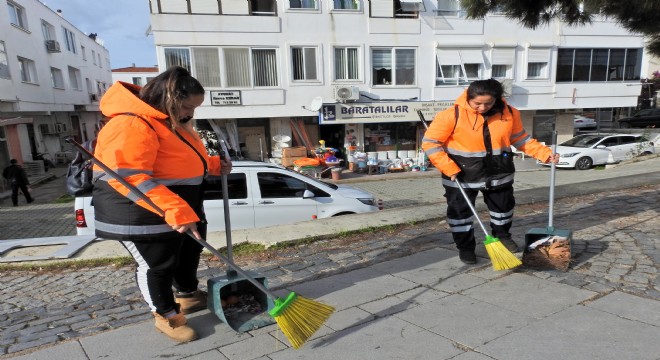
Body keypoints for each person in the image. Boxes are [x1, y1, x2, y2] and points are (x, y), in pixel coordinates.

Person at [93, 66, 231, 342]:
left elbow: (174, 160)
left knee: (189, 251)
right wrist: (174, 209)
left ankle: (188, 295)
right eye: (188, 106)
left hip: (175, 203)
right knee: (158, 264)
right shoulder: (131, 123)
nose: (191, 113)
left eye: (195, 108)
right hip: (140, 210)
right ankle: (166, 314)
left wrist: (213, 165)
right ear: (169, 99)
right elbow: (128, 175)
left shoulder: (167, 121)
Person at [422, 79, 559, 265]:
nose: (482, 107)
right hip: (460, 175)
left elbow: (520, 139)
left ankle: (502, 237)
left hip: (499, 173)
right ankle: (466, 248)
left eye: (488, 103)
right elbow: (430, 143)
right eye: (477, 103)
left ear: (497, 99)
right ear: (468, 97)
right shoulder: (450, 115)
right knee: (460, 216)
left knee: (503, 211)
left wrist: (545, 154)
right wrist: (448, 167)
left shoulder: (509, 113)